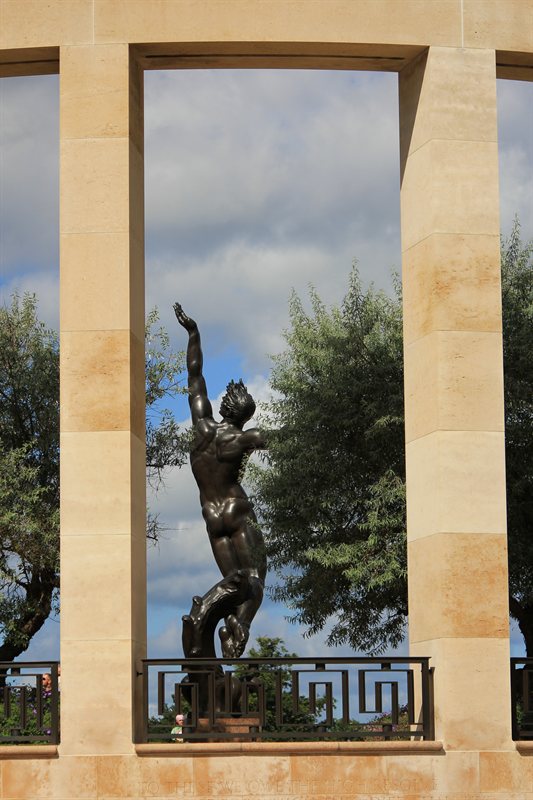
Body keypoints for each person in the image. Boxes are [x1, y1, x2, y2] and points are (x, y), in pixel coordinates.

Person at [174, 303, 267, 658]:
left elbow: (195, 377)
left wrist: (193, 333)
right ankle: (239, 626)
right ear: (244, 417)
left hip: (211, 518)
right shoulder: (241, 438)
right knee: (254, 581)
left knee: (233, 585)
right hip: (238, 512)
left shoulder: (201, 428)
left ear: (225, 407)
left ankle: (224, 628)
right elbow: (275, 438)